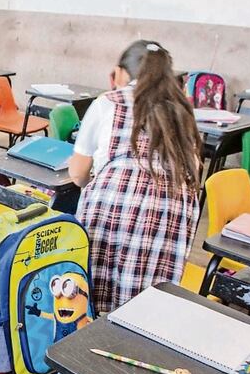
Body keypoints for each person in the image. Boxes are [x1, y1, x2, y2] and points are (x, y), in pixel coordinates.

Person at [67, 40, 202, 313]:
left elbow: (78, 174)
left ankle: (92, 329)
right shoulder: (182, 111)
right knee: (145, 302)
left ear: (120, 73)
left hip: (115, 202)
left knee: (93, 283)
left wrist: (95, 180)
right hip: (171, 212)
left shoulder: (109, 103)